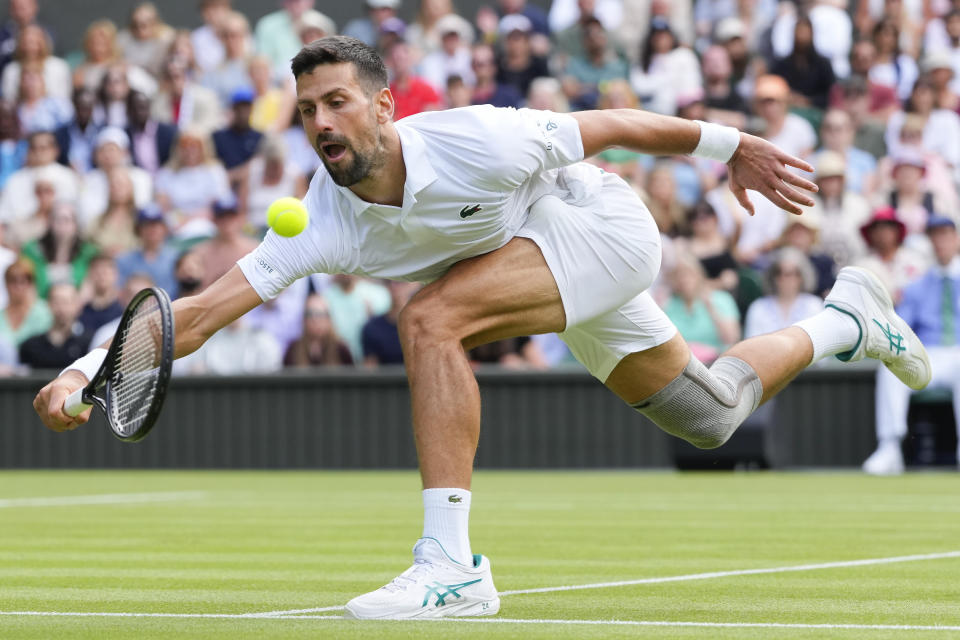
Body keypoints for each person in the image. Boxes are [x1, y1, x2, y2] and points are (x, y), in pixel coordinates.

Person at [35, 36, 931, 620]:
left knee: (430, 318)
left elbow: (612, 123)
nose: (322, 123)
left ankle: (452, 566)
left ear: (384, 106)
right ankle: (845, 321)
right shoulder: (327, 216)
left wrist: (732, 147)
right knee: (707, 414)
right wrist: (86, 370)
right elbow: (194, 314)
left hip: (599, 228)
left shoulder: (477, 138)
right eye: (309, 110)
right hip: (540, 263)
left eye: (339, 102)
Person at [864, 215, 960, 475]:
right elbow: (901, 327)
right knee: (890, 369)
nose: (941, 242)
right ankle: (889, 447)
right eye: (936, 236)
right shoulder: (917, 287)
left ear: (956, 239)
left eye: (946, 235)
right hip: (929, 354)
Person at [744, 248, 824, 339]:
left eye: (790, 273)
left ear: (801, 277)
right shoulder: (758, 307)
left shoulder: (814, 305)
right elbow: (752, 343)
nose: (784, 279)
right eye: (778, 273)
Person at [18, 282, 90, 370]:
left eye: (66, 302)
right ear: (48, 304)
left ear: (78, 305)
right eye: (56, 301)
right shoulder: (31, 346)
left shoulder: (89, 344)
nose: (61, 308)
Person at [114, 204, 178, 295]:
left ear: (164, 228)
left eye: (156, 224)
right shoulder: (124, 260)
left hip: (172, 307)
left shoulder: (176, 258)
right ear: (138, 229)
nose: (152, 229)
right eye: (146, 225)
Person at [284, 292, 353, 366]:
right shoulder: (294, 350)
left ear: (329, 318)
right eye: (310, 314)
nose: (315, 320)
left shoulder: (341, 350)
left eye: (320, 314)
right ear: (304, 319)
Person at [362, 280, 419, 366]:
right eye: (389, 281)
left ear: (414, 285)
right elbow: (370, 369)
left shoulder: (423, 325)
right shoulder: (372, 327)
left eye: (401, 281)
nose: (394, 286)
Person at [1, 257, 50, 347]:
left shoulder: (43, 311)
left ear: (31, 284)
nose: (18, 287)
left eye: (23, 282)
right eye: (13, 282)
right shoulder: (1, 314)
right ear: (6, 284)